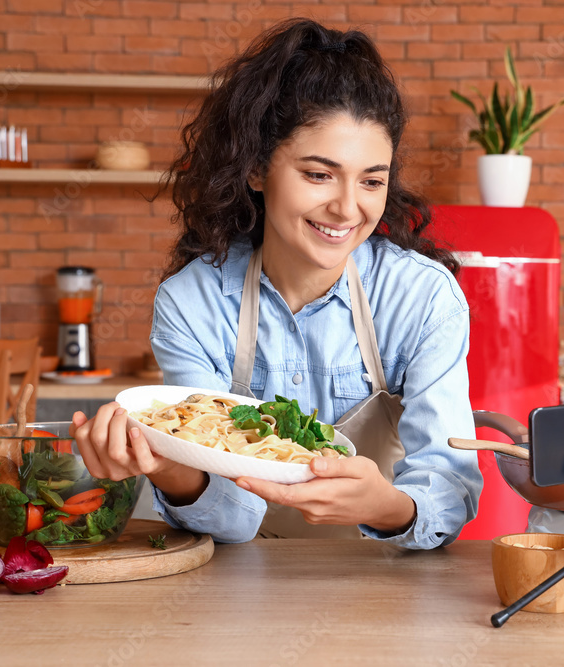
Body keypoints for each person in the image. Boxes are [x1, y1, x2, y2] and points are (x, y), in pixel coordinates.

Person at [70, 18, 482, 549]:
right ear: (258, 170)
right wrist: (165, 466)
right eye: (318, 174)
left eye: (372, 181)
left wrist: (385, 506)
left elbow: (449, 490)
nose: (347, 207)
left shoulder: (422, 299)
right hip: (236, 590)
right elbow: (234, 518)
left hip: (385, 585)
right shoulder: (194, 302)